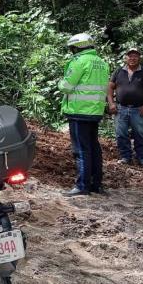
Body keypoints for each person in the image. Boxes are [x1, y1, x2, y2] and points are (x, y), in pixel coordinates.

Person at [59, 33, 110, 197]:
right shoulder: (101, 63)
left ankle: (82, 186)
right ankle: (96, 185)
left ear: (77, 46)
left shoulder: (79, 62)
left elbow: (66, 86)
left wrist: (60, 82)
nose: (71, 51)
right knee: (94, 148)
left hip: (79, 111)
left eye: (72, 48)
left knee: (81, 150)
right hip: (95, 112)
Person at [107, 48, 143, 166]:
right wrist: (111, 103)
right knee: (121, 134)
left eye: (135, 56)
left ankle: (142, 158)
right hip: (121, 108)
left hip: (138, 109)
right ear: (126, 58)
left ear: (139, 58)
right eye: (130, 56)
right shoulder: (118, 71)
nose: (132, 58)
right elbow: (109, 87)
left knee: (140, 133)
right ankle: (125, 157)